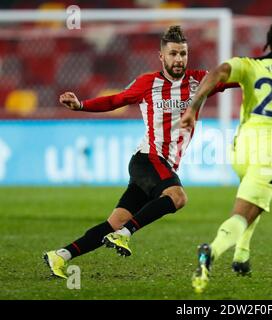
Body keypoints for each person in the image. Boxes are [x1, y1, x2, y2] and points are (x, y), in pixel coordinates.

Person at [43, 26, 237, 279]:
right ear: (161, 57)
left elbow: (237, 78)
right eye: (173, 54)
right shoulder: (148, 83)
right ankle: (124, 235)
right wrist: (81, 105)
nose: (179, 59)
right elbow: (116, 100)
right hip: (148, 159)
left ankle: (61, 255)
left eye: (183, 54)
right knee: (177, 197)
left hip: (161, 165)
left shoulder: (199, 81)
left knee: (114, 222)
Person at [181, 20, 272, 293]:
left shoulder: (250, 64)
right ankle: (211, 252)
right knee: (244, 212)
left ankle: (242, 254)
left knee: (253, 202)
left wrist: (193, 107)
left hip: (242, 150)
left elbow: (219, 71)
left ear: (270, 43)